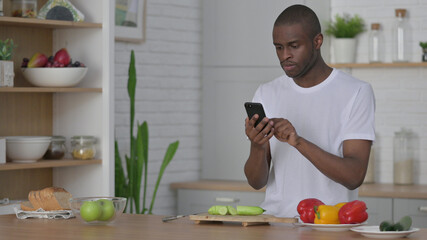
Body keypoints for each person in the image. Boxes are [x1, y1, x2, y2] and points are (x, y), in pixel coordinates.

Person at [244, 4, 375, 217]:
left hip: (329, 223)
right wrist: (257, 145)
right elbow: (256, 182)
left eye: (293, 46)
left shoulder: (356, 92)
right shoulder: (267, 92)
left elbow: (354, 176)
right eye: (278, 47)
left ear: (317, 41)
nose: (284, 55)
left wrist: (298, 142)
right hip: (276, 222)